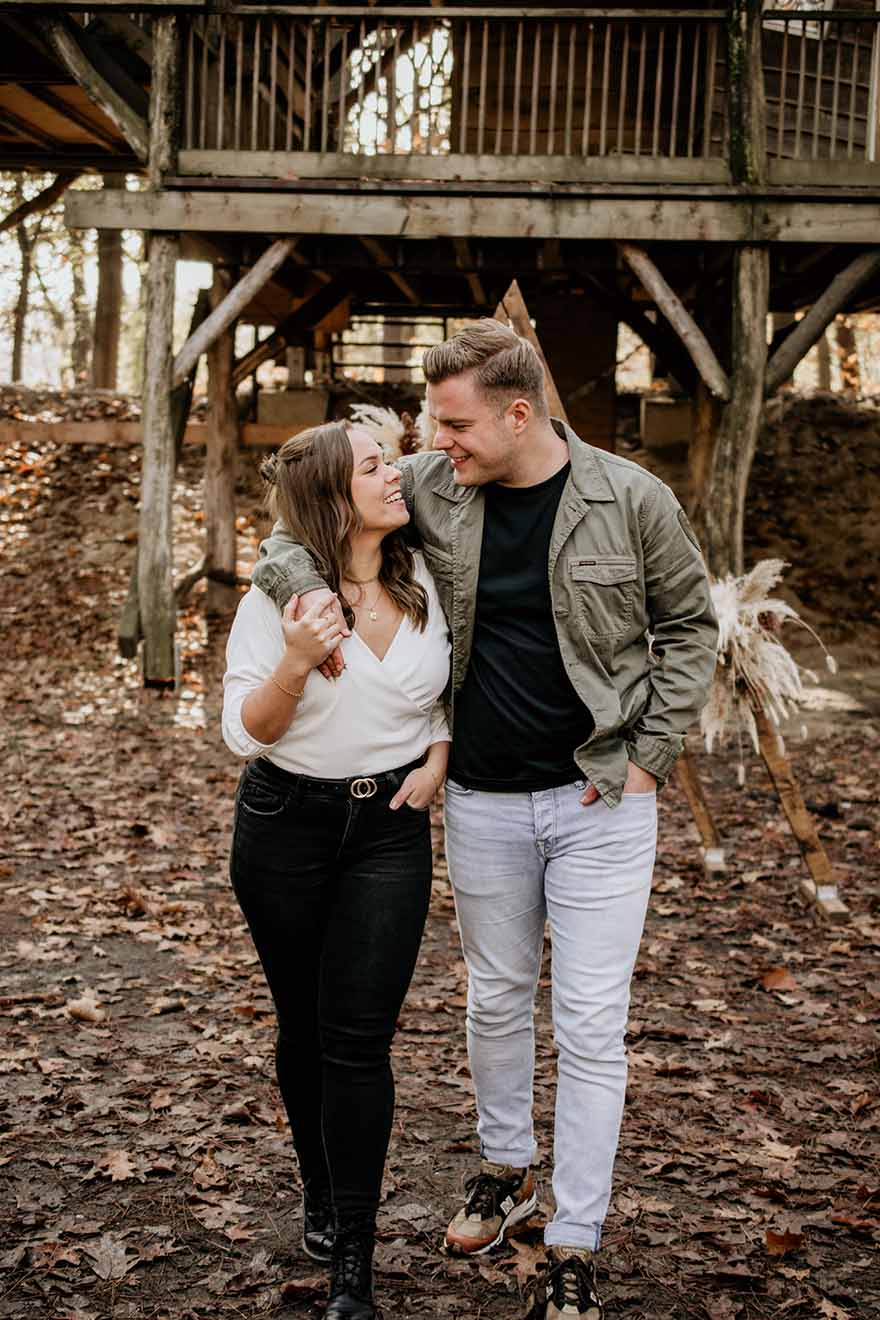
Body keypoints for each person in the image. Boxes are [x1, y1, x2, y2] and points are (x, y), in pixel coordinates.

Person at [252, 321, 718, 1320]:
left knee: (589, 1025)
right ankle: (506, 1169)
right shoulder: (433, 485)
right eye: (432, 424)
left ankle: (576, 1240)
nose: (436, 442)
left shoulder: (631, 499)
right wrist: (314, 607)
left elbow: (689, 628)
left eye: (454, 424)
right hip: (481, 801)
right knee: (497, 1000)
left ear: (518, 413)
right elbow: (295, 530)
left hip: (602, 799)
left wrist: (649, 757)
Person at [222, 420, 451, 1320]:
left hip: (390, 829)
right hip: (286, 824)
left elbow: (448, 685)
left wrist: (440, 751)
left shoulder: (425, 573)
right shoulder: (279, 598)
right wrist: (293, 660)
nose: (395, 474)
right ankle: (317, 1184)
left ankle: (355, 1258)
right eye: (372, 466)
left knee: (359, 1041)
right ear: (330, 496)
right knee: (303, 1024)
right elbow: (245, 732)